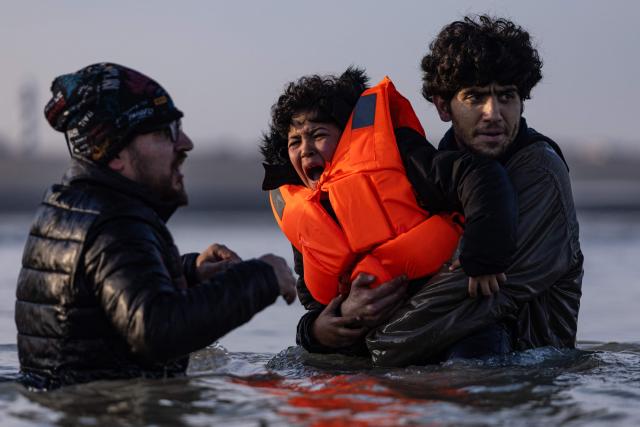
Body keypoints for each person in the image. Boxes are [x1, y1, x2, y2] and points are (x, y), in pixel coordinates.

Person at [15, 62, 296, 389]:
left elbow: (103, 294)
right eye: (166, 132)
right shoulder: (114, 222)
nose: (185, 144)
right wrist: (262, 276)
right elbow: (157, 330)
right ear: (115, 153)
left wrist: (188, 273)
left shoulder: (70, 207)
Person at [366, 15, 584, 366]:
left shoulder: (540, 173)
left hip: (522, 379)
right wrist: (323, 328)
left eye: (506, 96)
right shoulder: (436, 173)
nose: (493, 113)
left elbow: (474, 294)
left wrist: (369, 347)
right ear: (442, 105)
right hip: (440, 382)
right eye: (475, 97)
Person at [261, 67, 518, 355]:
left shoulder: (401, 158)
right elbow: (315, 306)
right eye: (295, 142)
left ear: (347, 136)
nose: (305, 150)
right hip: (381, 351)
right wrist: (316, 332)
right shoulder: (305, 214)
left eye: (317, 135)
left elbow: (480, 175)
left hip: (456, 330)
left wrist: (485, 257)